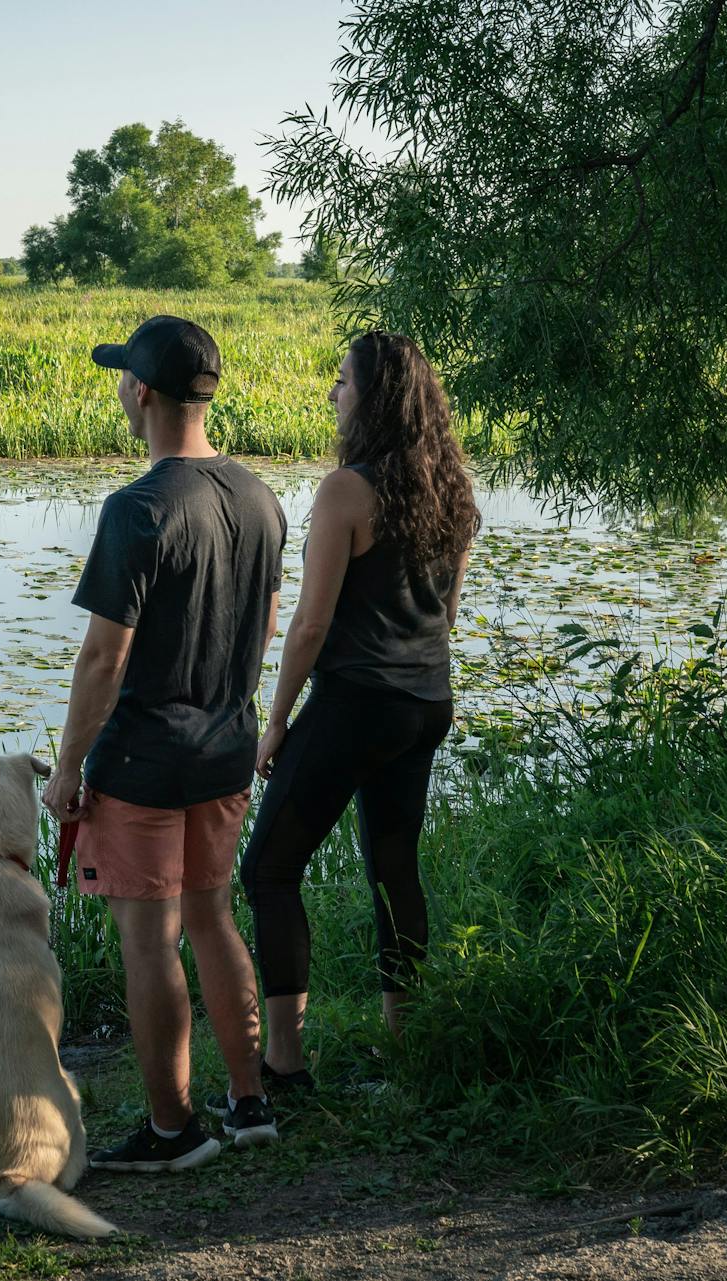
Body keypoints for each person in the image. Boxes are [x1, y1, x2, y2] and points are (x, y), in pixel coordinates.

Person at [42, 315, 287, 1172]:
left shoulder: (137, 509)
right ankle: (251, 1101)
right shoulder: (262, 498)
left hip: (143, 762)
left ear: (140, 392)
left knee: (150, 941)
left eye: (122, 378)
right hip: (225, 749)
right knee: (216, 919)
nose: (118, 388)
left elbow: (104, 658)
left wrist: (69, 766)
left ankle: (172, 1129)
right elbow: (257, 631)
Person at [239, 331, 479, 1091]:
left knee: (269, 869)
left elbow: (310, 624)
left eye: (342, 381)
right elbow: (447, 610)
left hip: (358, 703)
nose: (332, 393)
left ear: (371, 398)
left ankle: (283, 1063)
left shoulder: (348, 490)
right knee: (392, 869)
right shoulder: (456, 491)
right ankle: (405, 1047)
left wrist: (275, 721)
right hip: (426, 699)